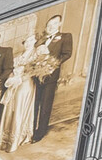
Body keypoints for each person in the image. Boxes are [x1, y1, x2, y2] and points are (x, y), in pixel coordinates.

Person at [29, 11, 73, 139]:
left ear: (59, 24)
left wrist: (51, 63)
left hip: (51, 75)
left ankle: (40, 132)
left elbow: (67, 53)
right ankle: (31, 130)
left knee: (45, 104)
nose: (51, 26)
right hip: (37, 75)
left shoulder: (65, 36)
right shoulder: (41, 39)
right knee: (35, 103)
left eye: (54, 24)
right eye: (49, 24)